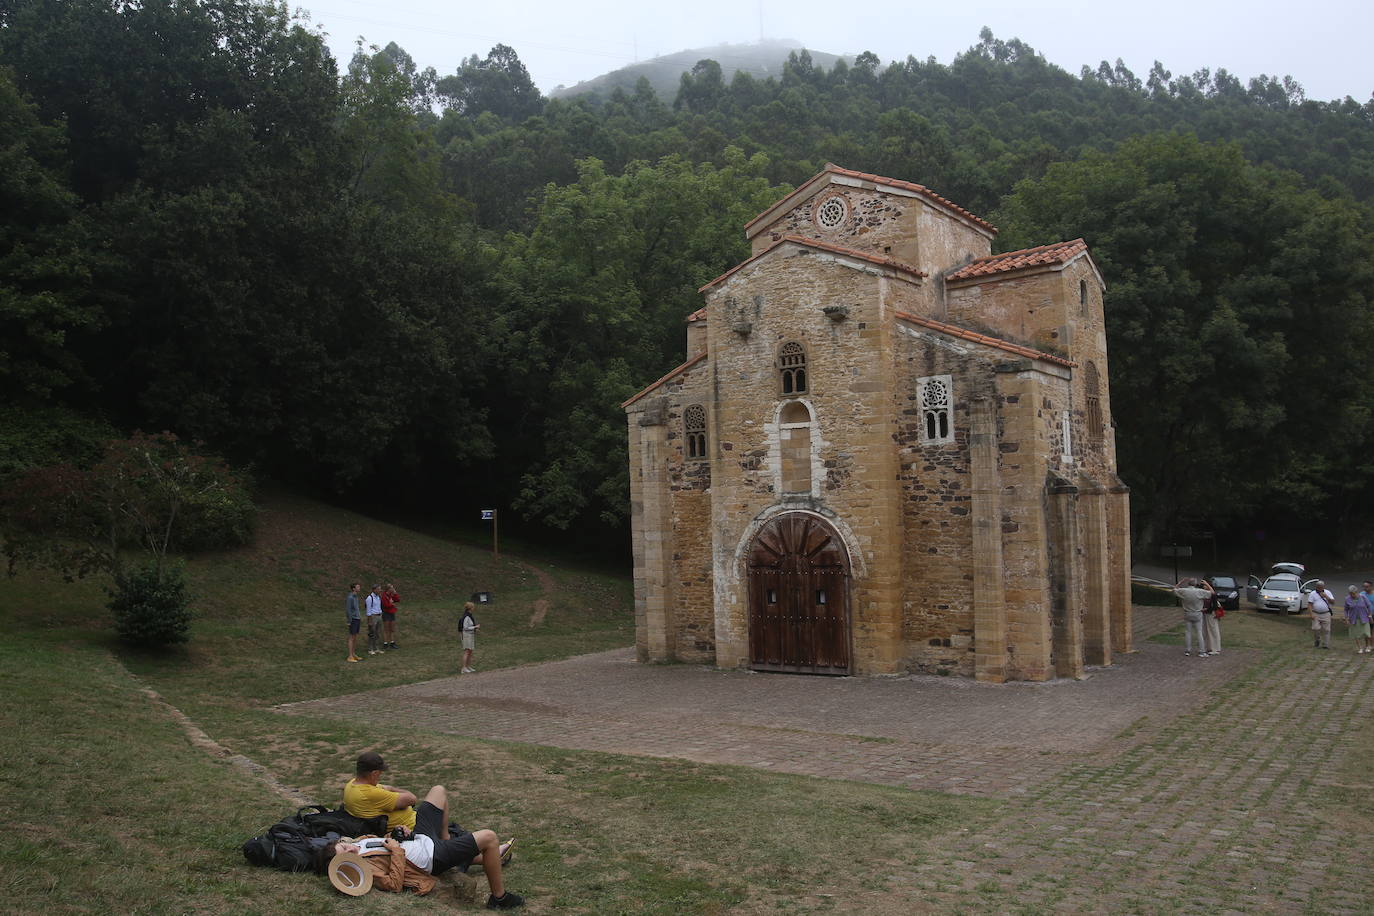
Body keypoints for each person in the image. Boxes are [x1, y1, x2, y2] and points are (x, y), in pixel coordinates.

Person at [337, 751, 523, 908]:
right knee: (489, 837)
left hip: (417, 836)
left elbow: (380, 839)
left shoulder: (359, 841)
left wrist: (394, 835)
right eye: (346, 852)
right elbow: (394, 883)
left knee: (438, 790)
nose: (349, 848)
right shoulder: (365, 865)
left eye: (344, 846)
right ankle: (499, 898)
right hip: (430, 855)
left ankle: (448, 840)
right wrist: (395, 848)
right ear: (374, 774)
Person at [1172, 577, 1214, 658]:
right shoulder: (1199, 591)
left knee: (1188, 632)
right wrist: (1207, 584)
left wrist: (1180, 582)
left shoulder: (1184, 591)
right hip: (1197, 613)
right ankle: (1201, 651)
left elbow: (1174, 590)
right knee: (1199, 632)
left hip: (1187, 613)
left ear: (1188, 584)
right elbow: (1212, 593)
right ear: (1195, 584)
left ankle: (1187, 650)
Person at [1307, 580, 1335, 649]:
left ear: (1323, 587)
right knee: (1316, 628)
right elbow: (1310, 604)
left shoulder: (1328, 592)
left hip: (1326, 613)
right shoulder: (1313, 593)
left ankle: (1325, 644)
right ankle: (1317, 640)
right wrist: (1311, 614)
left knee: (1326, 630)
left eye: (1321, 587)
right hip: (1316, 613)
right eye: (1318, 587)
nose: (1319, 589)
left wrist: (1326, 596)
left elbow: (1333, 602)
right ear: (1316, 587)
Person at [1345, 585, 1373, 654]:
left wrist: (1370, 616)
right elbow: (1346, 609)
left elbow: (1369, 606)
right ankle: (1360, 648)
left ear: (1356, 592)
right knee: (1356, 634)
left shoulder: (1363, 597)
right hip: (1353, 619)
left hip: (1364, 618)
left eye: (1353, 593)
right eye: (1350, 593)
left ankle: (1368, 646)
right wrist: (1346, 618)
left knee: (1366, 633)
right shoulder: (1347, 599)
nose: (1352, 595)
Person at [1202, 582, 1222, 657]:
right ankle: (1209, 647)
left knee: (1213, 630)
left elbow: (1214, 604)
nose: (1204, 586)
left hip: (1211, 614)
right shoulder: (1205, 593)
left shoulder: (1212, 594)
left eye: (1205, 585)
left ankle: (1215, 649)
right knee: (1207, 631)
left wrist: (1206, 609)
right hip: (1207, 614)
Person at [460, 601, 480, 673]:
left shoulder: (470, 616)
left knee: (470, 651)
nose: (474, 608)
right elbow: (465, 627)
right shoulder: (466, 616)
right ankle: (464, 668)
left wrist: (474, 628)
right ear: (470, 608)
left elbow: (470, 626)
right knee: (467, 651)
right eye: (473, 607)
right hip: (467, 635)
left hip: (470, 635)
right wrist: (475, 627)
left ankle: (468, 666)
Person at [345, 582, 363, 663]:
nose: (359, 588)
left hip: (357, 618)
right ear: (353, 588)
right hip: (353, 619)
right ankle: (350, 656)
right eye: (358, 587)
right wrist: (349, 621)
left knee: (355, 637)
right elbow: (348, 610)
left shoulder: (356, 597)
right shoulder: (350, 597)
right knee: (351, 637)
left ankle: (353, 654)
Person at [365, 585, 384, 655]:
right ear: (374, 590)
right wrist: (369, 620)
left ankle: (376, 648)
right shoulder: (370, 598)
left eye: (380, 589)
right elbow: (368, 610)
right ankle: (370, 649)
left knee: (377, 633)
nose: (380, 590)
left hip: (379, 616)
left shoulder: (378, 597)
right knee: (372, 633)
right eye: (378, 589)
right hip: (373, 616)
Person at [381, 583, 401, 649]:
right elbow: (385, 605)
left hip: (392, 613)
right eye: (392, 588)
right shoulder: (384, 596)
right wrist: (391, 604)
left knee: (392, 629)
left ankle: (392, 642)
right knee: (386, 629)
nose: (393, 589)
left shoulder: (391, 595)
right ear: (388, 589)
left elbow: (397, 600)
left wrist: (395, 593)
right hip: (386, 613)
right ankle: (385, 643)